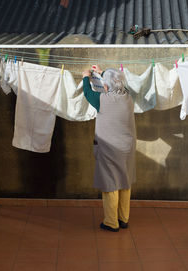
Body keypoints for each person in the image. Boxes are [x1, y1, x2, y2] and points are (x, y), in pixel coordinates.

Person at [82, 65, 136, 232]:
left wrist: (86, 76)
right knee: (125, 181)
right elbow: (118, 81)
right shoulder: (128, 97)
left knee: (110, 183)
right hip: (127, 148)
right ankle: (123, 219)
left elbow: (87, 92)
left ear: (105, 86)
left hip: (109, 149)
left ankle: (111, 222)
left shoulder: (101, 99)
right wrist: (102, 72)